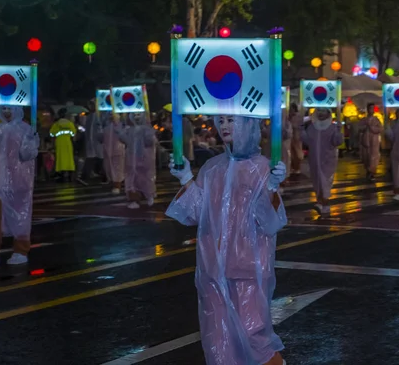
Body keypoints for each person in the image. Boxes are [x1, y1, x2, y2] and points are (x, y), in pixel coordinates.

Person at [167, 115, 287, 365]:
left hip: (248, 269)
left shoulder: (263, 168)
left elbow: (270, 222)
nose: (224, 127)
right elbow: (197, 214)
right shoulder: (212, 168)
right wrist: (186, 179)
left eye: (232, 120)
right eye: (220, 120)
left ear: (249, 124)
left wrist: (272, 189)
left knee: (255, 337)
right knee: (218, 341)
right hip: (213, 270)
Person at [0, 106, 39, 266]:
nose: (6, 112)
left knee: (20, 218)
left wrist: (31, 141)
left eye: (9, 108)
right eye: (3, 108)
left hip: (19, 183)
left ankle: (21, 251)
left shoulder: (26, 129)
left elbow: (27, 155)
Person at [301, 108, 344, 214]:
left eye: (323, 112)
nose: (321, 114)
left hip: (328, 160)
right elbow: (306, 141)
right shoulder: (311, 128)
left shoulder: (333, 128)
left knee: (325, 183)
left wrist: (339, 132)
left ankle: (323, 204)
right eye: (319, 112)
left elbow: (337, 142)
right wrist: (301, 130)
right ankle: (321, 203)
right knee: (317, 183)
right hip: (314, 160)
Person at [116, 112, 156, 209]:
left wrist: (150, 133)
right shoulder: (129, 130)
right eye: (134, 115)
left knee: (145, 179)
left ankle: (148, 196)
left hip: (145, 160)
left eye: (139, 115)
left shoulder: (147, 129)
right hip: (131, 161)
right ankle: (134, 200)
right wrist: (120, 132)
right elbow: (124, 140)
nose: (137, 118)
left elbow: (150, 142)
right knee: (131, 181)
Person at [100, 113, 125, 194]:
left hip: (117, 151)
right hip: (109, 152)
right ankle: (115, 184)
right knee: (110, 169)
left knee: (117, 170)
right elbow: (100, 138)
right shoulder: (106, 128)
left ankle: (117, 186)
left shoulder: (121, 127)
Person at [50, 108, 76, 182]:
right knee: (69, 158)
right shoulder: (70, 124)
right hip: (68, 142)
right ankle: (70, 172)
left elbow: (51, 133)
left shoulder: (57, 124)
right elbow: (73, 133)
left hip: (59, 143)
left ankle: (61, 173)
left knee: (60, 159)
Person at [359, 103, 383, 181]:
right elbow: (360, 128)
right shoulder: (364, 120)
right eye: (370, 108)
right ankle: (368, 171)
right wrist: (365, 127)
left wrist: (371, 127)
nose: (371, 110)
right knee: (366, 156)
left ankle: (371, 172)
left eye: (372, 108)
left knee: (374, 156)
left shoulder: (376, 120)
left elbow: (380, 129)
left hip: (374, 140)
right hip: (366, 140)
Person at [82, 101, 105, 182]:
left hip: (98, 142)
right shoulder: (89, 116)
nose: (90, 107)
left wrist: (101, 139)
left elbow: (100, 128)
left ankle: (104, 177)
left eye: (92, 105)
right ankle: (85, 177)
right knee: (91, 158)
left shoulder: (99, 116)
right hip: (91, 142)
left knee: (100, 160)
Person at [289, 103, 304, 175]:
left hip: (297, 136)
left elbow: (297, 126)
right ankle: (293, 167)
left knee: (297, 152)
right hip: (292, 136)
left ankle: (297, 168)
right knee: (292, 152)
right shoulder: (290, 116)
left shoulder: (298, 116)